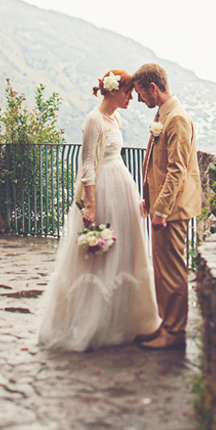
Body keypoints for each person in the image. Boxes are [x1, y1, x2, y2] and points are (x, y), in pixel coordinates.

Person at [38, 69, 161, 351]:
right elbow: (88, 165)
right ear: (113, 91)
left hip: (122, 187)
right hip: (104, 190)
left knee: (125, 253)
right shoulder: (93, 120)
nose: (131, 97)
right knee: (102, 257)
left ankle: (125, 321)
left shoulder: (116, 117)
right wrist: (91, 204)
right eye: (128, 92)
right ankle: (94, 323)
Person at [132, 63, 202, 350]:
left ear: (153, 88)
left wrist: (160, 209)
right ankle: (167, 325)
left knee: (172, 271)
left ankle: (174, 332)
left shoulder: (177, 119)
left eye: (140, 94)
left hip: (172, 211)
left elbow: (177, 170)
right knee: (161, 269)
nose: (138, 100)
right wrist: (150, 201)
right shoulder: (165, 115)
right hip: (163, 208)